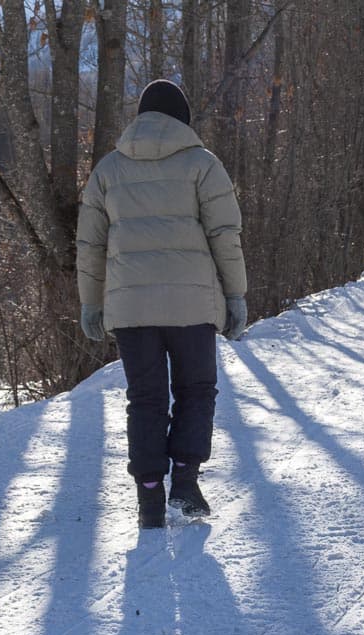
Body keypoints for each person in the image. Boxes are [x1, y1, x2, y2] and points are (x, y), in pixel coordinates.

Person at [77, 79, 248, 529]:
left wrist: (90, 303)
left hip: (130, 309)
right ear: (182, 119)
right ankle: (186, 482)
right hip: (193, 306)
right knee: (196, 390)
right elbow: (224, 237)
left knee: (146, 398)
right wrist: (235, 295)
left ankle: (149, 498)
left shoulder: (107, 170)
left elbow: (90, 245)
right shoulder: (203, 165)